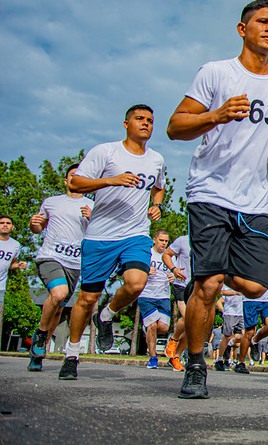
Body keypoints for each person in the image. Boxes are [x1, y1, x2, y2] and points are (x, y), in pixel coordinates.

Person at [167, 0, 268, 399]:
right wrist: (217, 115)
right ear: (242, 29)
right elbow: (175, 126)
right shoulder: (216, 73)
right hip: (210, 191)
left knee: (256, 286)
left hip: (257, 200)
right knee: (207, 286)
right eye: (263, 21)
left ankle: (213, 268)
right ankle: (195, 366)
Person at [59, 104, 165, 380]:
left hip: (135, 234)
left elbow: (159, 187)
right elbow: (76, 184)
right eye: (139, 119)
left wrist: (157, 205)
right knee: (87, 298)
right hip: (100, 236)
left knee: (136, 283)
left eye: (150, 120)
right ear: (126, 124)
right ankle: (71, 355)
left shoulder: (156, 159)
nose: (146, 123)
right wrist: (111, 180)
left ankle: (106, 315)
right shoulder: (105, 152)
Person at [27, 164, 94, 371]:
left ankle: (39, 352)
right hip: (51, 257)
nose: (76, 178)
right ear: (66, 181)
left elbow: (100, 234)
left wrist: (92, 219)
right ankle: (40, 335)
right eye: (73, 175)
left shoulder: (92, 205)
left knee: (58, 309)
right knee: (58, 293)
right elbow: (38, 228)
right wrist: (34, 224)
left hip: (74, 263)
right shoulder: (52, 202)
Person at [238, 224, 268, 375]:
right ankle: (241, 362)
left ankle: (255, 341)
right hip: (251, 297)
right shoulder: (252, 248)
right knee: (248, 332)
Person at [139, 230, 175, 369]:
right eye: (161, 240)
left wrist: (173, 276)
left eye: (166, 241)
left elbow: (176, 272)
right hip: (147, 294)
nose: (164, 243)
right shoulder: (147, 253)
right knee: (153, 326)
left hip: (163, 296)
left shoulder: (169, 256)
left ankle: (147, 329)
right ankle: (153, 358)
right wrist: (146, 271)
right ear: (154, 240)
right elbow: (136, 271)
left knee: (163, 328)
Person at [162, 234, 191, 371]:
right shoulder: (183, 240)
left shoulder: (209, 241)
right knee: (187, 317)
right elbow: (166, 255)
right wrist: (173, 269)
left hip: (197, 287)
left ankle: (176, 357)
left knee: (192, 327)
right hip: (182, 284)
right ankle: (173, 339)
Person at [0, 216, 26, 336]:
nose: (5, 225)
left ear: (12, 227)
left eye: (8, 223)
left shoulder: (15, 245)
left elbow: (10, 264)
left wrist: (18, 265)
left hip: (1, 286)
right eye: (2, 223)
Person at [215, 284, 244, 371]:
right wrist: (236, 292)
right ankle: (219, 360)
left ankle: (230, 344)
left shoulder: (244, 282)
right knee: (227, 336)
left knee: (243, 336)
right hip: (230, 313)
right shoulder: (228, 283)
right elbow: (222, 293)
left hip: (241, 314)